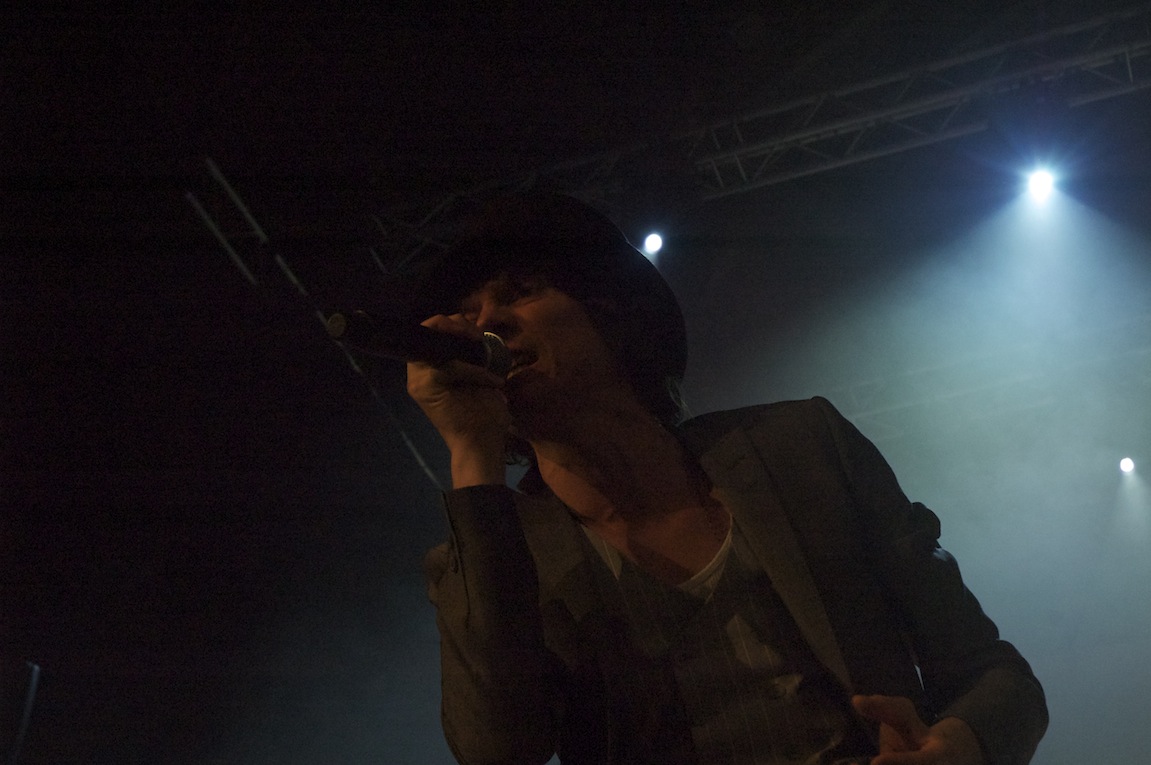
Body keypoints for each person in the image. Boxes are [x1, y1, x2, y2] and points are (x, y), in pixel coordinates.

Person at [406, 193, 1047, 765]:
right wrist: (472, 451)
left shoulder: (803, 447)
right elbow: (497, 748)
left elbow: (994, 674)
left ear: (608, 308)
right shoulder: (493, 559)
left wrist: (960, 745)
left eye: (520, 292)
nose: (487, 322)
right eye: (469, 312)